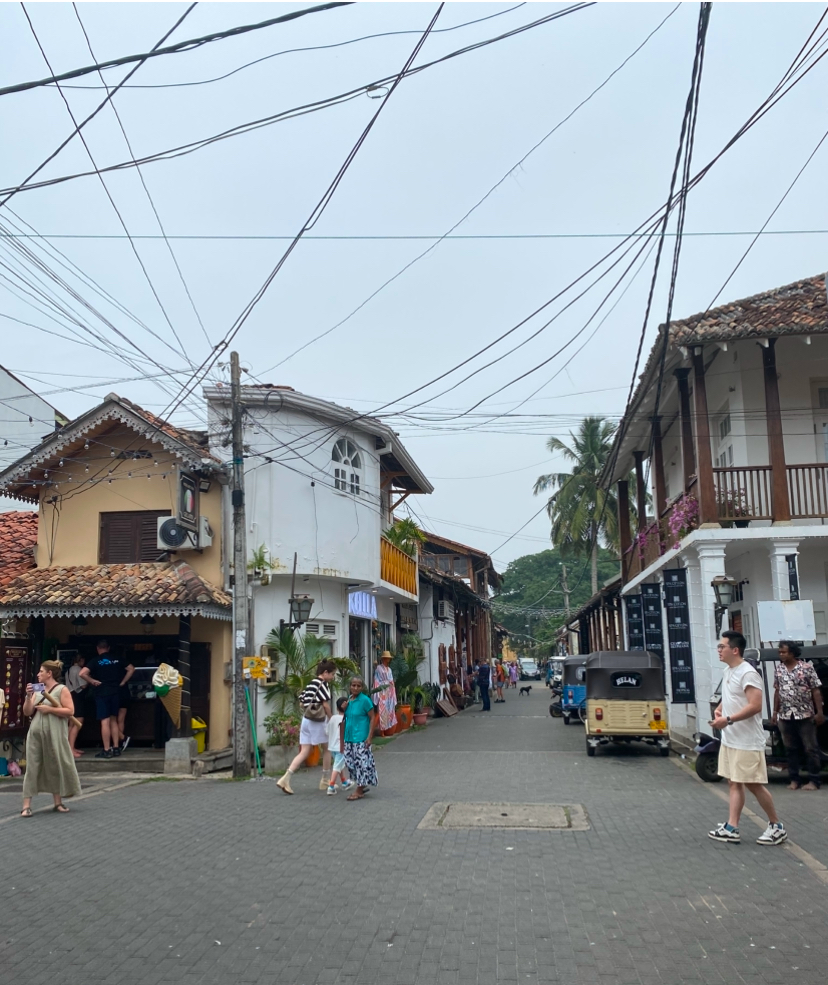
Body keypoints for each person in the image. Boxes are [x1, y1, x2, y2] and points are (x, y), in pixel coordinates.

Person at [708, 630, 787, 846]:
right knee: (734, 782)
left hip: (746, 740)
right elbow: (731, 696)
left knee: (753, 784)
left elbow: (755, 705)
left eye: (722, 647)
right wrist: (720, 710)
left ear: (735, 650)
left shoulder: (748, 673)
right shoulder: (729, 671)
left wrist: (729, 719)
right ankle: (732, 827)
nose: (719, 650)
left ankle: (776, 826)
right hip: (731, 739)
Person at [21, 660, 81, 816]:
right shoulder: (38, 689)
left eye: (41, 671)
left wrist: (49, 709)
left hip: (55, 732)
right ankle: (26, 805)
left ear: (49, 673)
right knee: (32, 766)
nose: (38, 674)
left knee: (55, 764)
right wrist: (28, 696)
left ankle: (58, 802)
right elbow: (27, 712)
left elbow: (70, 711)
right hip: (36, 731)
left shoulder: (62, 689)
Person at [276, 659, 336, 795]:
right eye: (332, 674)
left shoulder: (311, 683)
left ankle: (286, 778)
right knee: (327, 748)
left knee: (304, 751)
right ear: (325, 673)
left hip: (306, 720)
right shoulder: (323, 684)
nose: (332, 677)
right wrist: (331, 718)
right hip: (318, 721)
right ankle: (325, 780)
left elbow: (302, 702)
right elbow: (325, 705)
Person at [773, 640, 825, 790]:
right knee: (790, 749)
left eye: (784, 652)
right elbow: (777, 691)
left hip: (805, 715)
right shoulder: (779, 670)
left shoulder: (807, 668)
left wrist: (819, 712)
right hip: (785, 715)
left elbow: (816, 690)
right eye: (780, 652)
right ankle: (794, 780)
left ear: (792, 653)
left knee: (810, 748)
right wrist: (775, 712)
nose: (781, 655)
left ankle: (814, 780)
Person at [80, 640, 134, 759]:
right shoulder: (117, 658)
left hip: (102, 692)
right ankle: (116, 748)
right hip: (115, 692)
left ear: (98, 649)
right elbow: (131, 668)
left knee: (105, 721)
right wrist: (123, 682)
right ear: (108, 648)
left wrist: (92, 681)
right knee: (114, 720)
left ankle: (106, 749)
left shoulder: (95, 661)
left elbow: (82, 673)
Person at [340, 676, 378, 801]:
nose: (355, 688)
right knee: (350, 763)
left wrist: (369, 736)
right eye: (353, 685)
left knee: (361, 764)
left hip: (361, 738)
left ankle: (359, 790)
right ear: (350, 686)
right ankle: (362, 784)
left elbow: (372, 717)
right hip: (349, 738)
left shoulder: (365, 700)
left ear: (362, 687)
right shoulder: (349, 700)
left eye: (358, 686)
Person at [326, 696, 354, 796]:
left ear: (337, 708)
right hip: (341, 747)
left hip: (332, 746)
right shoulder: (346, 720)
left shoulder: (333, 718)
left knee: (339, 764)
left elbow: (327, 731)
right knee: (337, 766)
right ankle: (331, 786)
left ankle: (344, 782)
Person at [65, 654, 87, 759]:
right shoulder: (79, 670)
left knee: (71, 724)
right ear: (81, 660)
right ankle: (71, 748)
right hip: (78, 697)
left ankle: (68, 747)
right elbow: (83, 685)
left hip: (70, 696)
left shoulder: (68, 670)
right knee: (78, 723)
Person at [373, 650, 397, 735]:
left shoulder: (389, 669)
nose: (388, 660)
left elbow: (391, 679)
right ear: (383, 659)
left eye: (389, 659)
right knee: (381, 709)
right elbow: (376, 679)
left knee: (389, 709)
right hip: (382, 689)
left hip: (389, 690)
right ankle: (381, 730)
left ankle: (388, 728)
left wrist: (393, 689)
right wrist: (377, 690)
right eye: (386, 659)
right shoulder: (379, 668)